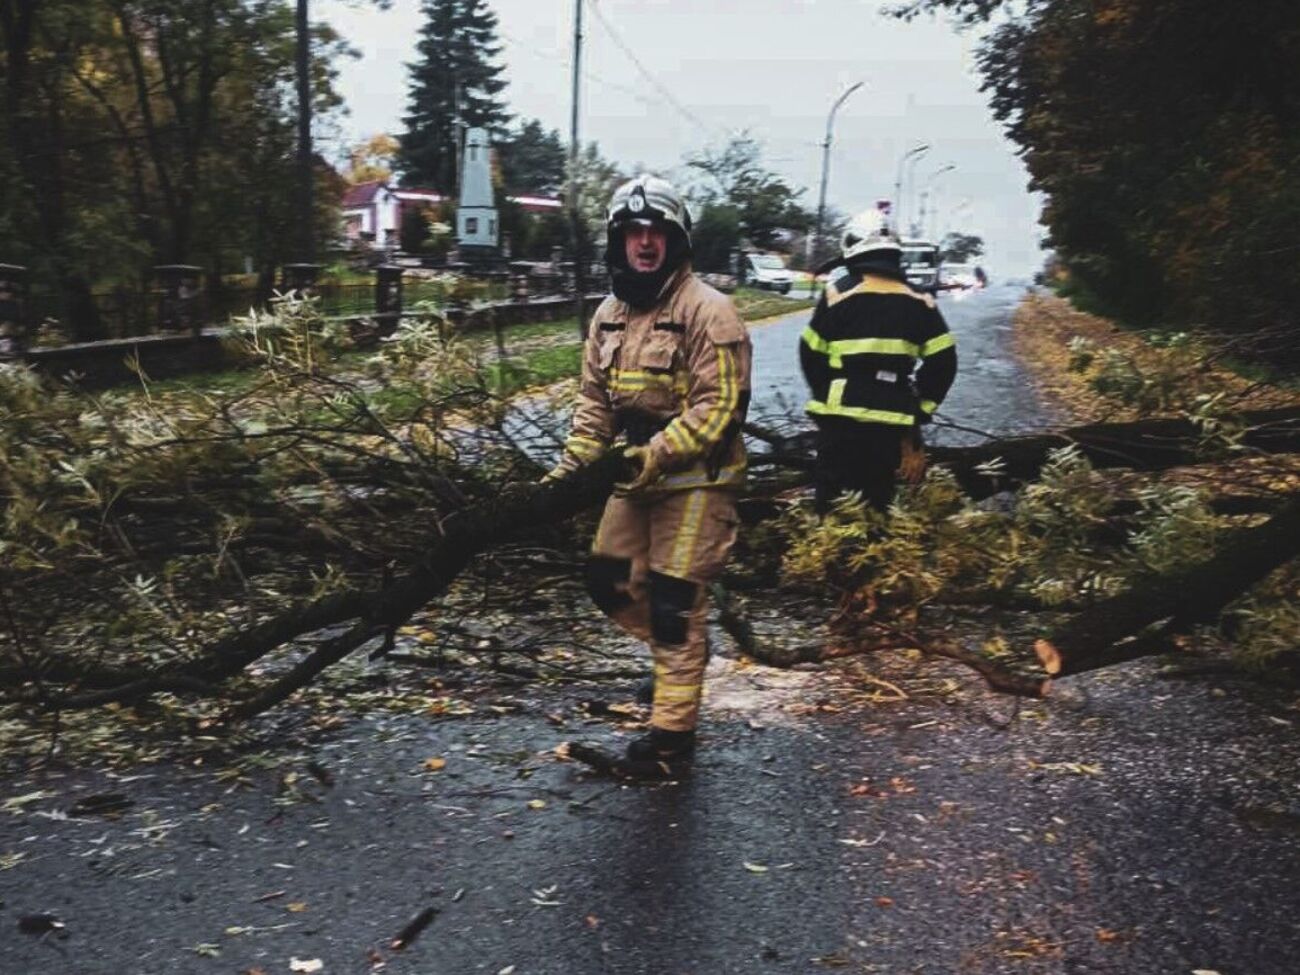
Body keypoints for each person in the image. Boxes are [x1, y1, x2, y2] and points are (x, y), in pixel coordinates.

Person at [545, 175, 753, 775]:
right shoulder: (608, 316)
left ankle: (668, 747)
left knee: (671, 606)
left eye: (654, 232)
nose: (643, 242)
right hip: (635, 478)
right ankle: (680, 657)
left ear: (675, 242)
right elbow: (593, 407)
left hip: (697, 480)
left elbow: (719, 410)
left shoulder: (709, 312)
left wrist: (654, 455)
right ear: (618, 242)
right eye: (633, 232)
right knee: (608, 581)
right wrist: (566, 476)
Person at [800, 205, 957, 513]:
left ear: (853, 250)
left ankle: (829, 557)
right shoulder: (920, 300)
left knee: (832, 509)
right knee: (878, 506)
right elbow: (944, 363)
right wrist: (920, 410)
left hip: (839, 421)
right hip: (891, 423)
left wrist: (827, 392)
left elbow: (811, 353)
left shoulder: (837, 294)